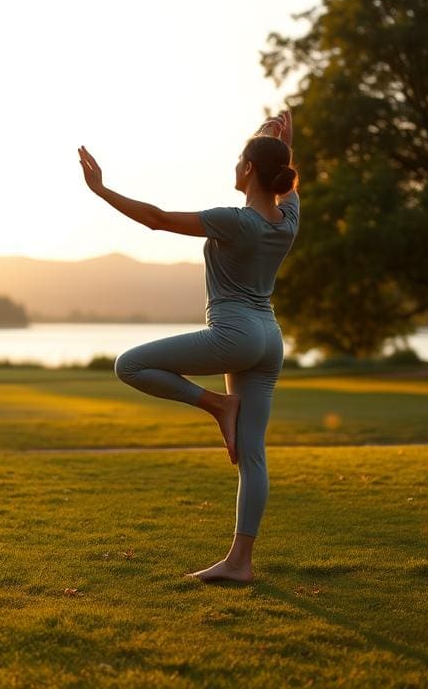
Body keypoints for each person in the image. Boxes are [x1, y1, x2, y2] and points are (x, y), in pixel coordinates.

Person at [77, 109, 299, 583]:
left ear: (248, 170)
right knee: (254, 455)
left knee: (129, 366)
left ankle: (218, 406)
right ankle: (240, 562)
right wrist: (279, 139)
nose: (235, 164)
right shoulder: (288, 219)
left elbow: (156, 219)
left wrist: (100, 191)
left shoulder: (235, 222)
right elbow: (287, 180)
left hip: (235, 334)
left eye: (241, 158)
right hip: (269, 340)